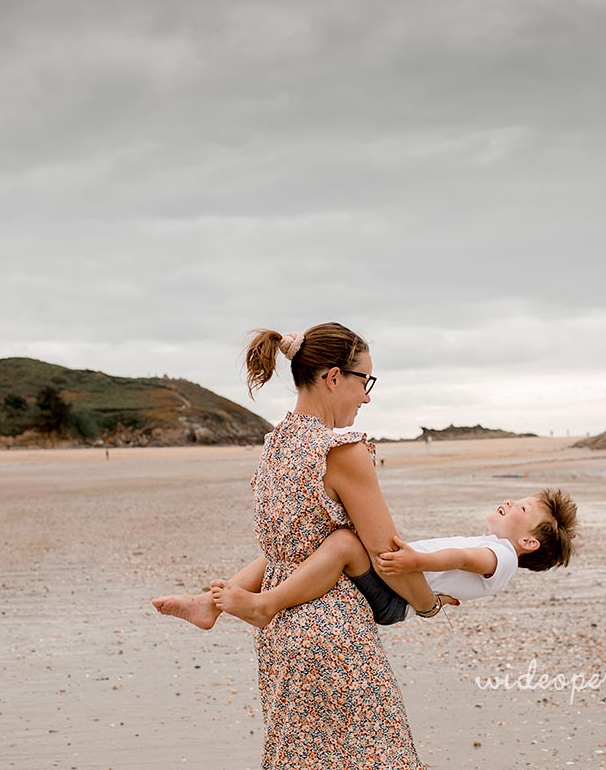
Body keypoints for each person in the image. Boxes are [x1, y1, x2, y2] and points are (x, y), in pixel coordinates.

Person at [158, 323, 435, 768]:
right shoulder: (341, 449)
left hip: (281, 637)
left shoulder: (276, 445)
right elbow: (388, 554)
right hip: (332, 632)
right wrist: (428, 604)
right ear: (332, 378)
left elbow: (282, 549)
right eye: (365, 381)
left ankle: (207, 605)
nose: (367, 397)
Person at [154, 488, 577, 630]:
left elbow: (464, 558)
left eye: (521, 508)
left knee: (341, 543)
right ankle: (208, 605)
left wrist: (416, 564)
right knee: (301, 546)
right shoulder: (496, 545)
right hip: (398, 586)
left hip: (394, 599)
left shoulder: (500, 556)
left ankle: (267, 604)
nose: (510, 502)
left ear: (529, 544)